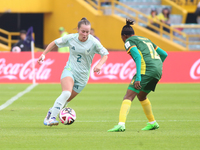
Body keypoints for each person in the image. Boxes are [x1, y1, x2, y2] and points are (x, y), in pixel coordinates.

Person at [37, 17, 109, 126]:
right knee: (66, 93)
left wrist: (99, 65)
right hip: (70, 70)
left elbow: (105, 54)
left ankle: (50, 112)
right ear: (78, 29)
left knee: (66, 101)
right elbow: (54, 42)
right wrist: (43, 54)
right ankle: (51, 118)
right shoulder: (71, 38)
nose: (85, 34)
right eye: (83, 31)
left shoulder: (93, 42)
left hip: (83, 77)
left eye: (87, 32)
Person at [108, 19, 168, 132]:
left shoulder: (128, 41)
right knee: (141, 96)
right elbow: (164, 54)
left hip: (146, 71)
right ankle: (153, 123)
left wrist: (139, 77)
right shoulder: (145, 39)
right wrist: (156, 66)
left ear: (124, 36)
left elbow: (138, 58)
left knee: (128, 97)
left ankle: (121, 124)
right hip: (158, 70)